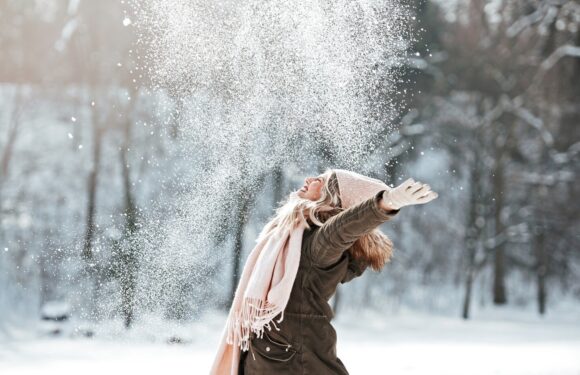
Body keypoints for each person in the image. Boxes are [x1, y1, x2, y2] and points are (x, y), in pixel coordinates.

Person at [210, 168, 438, 374]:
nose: (309, 179)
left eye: (320, 180)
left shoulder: (318, 244)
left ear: (332, 196)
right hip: (274, 354)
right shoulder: (291, 236)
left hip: (295, 359)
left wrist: (384, 204)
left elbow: (341, 228)